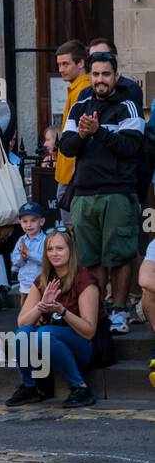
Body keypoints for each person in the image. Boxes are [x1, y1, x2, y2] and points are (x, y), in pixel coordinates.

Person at [58, 49, 144, 335]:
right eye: (95, 74)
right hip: (83, 192)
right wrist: (83, 134)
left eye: (106, 74)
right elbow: (67, 147)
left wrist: (99, 132)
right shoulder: (79, 106)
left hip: (118, 191)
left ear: (116, 76)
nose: (100, 80)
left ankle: (119, 311)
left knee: (118, 255)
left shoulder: (127, 105)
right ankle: (99, 311)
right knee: (90, 257)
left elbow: (132, 148)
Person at [6, 228, 103, 408]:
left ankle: (81, 388)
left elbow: (89, 331)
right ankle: (31, 387)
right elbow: (22, 322)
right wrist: (41, 306)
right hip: (54, 342)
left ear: (71, 251)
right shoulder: (43, 280)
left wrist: (62, 310)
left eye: (59, 248)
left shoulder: (84, 279)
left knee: (44, 333)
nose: (54, 253)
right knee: (22, 333)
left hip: (88, 346)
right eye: (50, 249)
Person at [53, 40, 89, 217]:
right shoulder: (76, 88)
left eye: (65, 64)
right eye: (59, 64)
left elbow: (80, 134)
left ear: (81, 63)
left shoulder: (83, 90)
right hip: (68, 171)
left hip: (72, 173)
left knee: (71, 234)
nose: (61, 69)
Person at [11, 201, 46, 305]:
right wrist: (22, 257)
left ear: (42, 221)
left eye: (33, 221)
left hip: (41, 285)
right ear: (20, 222)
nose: (29, 225)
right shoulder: (21, 240)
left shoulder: (46, 240)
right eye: (25, 221)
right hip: (25, 285)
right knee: (25, 313)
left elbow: (45, 260)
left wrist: (29, 253)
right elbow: (15, 261)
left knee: (41, 312)